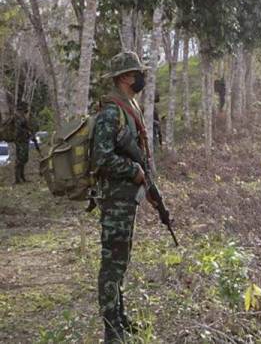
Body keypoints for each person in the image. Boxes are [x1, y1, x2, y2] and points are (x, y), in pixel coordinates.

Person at [92, 51, 152, 343]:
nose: (143, 77)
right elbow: (101, 158)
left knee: (120, 261)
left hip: (126, 199)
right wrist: (133, 171)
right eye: (138, 73)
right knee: (112, 264)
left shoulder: (131, 107)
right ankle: (110, 329)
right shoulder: (111, 111)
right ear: (127, 77)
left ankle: (120, 317)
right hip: (115, 199)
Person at [13, 102, 34, 184]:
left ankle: (22, 177)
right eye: (26, 108)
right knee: (20, 159)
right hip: (20, 140)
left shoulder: (22, 116)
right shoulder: (18, 116)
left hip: (23, 140)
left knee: (24, 159)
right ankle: (17, 179)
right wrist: (27, 132)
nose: (27, 109)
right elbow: (18, 129)